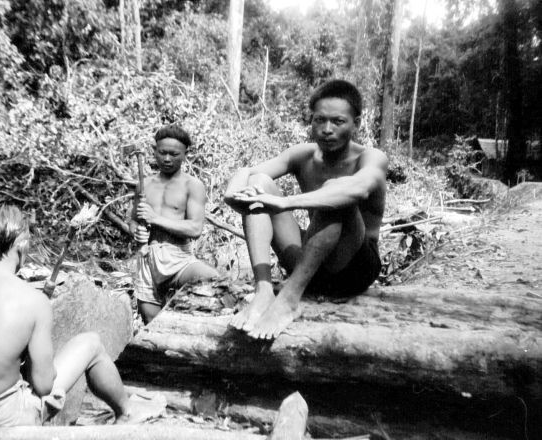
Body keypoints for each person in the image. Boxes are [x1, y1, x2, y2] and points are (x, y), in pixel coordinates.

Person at [0, 201, 149, 426]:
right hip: (2, 420)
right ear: (21, 247)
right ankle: (126, 413)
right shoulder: (32, 300)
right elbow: (43, 385)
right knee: (91, 343)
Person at [224, 79, 387, 340]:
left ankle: (288, 300)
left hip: (352, 268)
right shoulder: (303, 154)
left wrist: (285, 202)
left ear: (356, 124)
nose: (326, 129)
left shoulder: (371, 157)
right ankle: (264, 291)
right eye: (319, 120)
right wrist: (231, 195)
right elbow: (249, 172)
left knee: (336, 191)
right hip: (310, 265)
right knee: (259, 184)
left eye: (338, 121)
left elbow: (358, 189)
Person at [130, 125, 219, 324]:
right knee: (151, 322)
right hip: (147, 257)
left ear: (185, 155)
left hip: (179, 257)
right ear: (154, 151)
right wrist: (136, 232)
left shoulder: (193, 185)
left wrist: (155, 219)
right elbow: (133, 220)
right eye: (162, 153)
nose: (167, 159)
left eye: (174, 154)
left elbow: (195, 229)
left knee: (214, 280)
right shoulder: (145, 185)